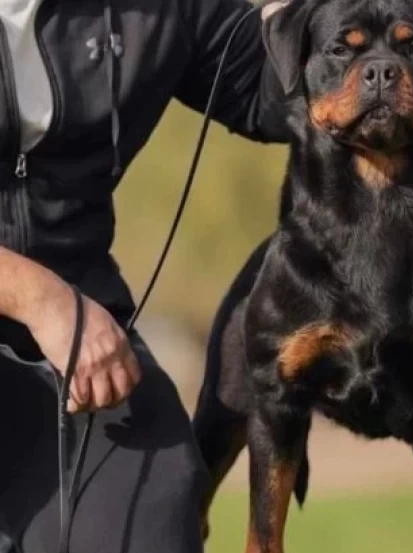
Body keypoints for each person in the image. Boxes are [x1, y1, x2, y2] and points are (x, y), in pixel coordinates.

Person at [0, 0, 288, 551]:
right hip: (62, 312)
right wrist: (40, 298)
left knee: (157, 509)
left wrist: (318, 21)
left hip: (84, 333)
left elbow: (271, 89)